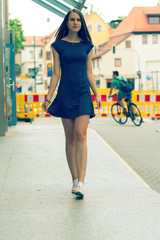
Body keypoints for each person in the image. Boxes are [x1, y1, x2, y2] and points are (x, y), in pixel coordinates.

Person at [42, 8, 101, 198]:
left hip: (83, 92)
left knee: (81, 134)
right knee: (70, 138)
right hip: (66, 93)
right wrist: (48, 97)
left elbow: (89, 73)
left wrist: (97, 94)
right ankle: (74, 180)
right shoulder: (57, 46)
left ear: (81, 24)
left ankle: (82, 182)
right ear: (67, 23)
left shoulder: (87, 46)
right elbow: (56, 74)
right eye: (72, 19)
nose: (76, 22)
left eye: (78, 20)